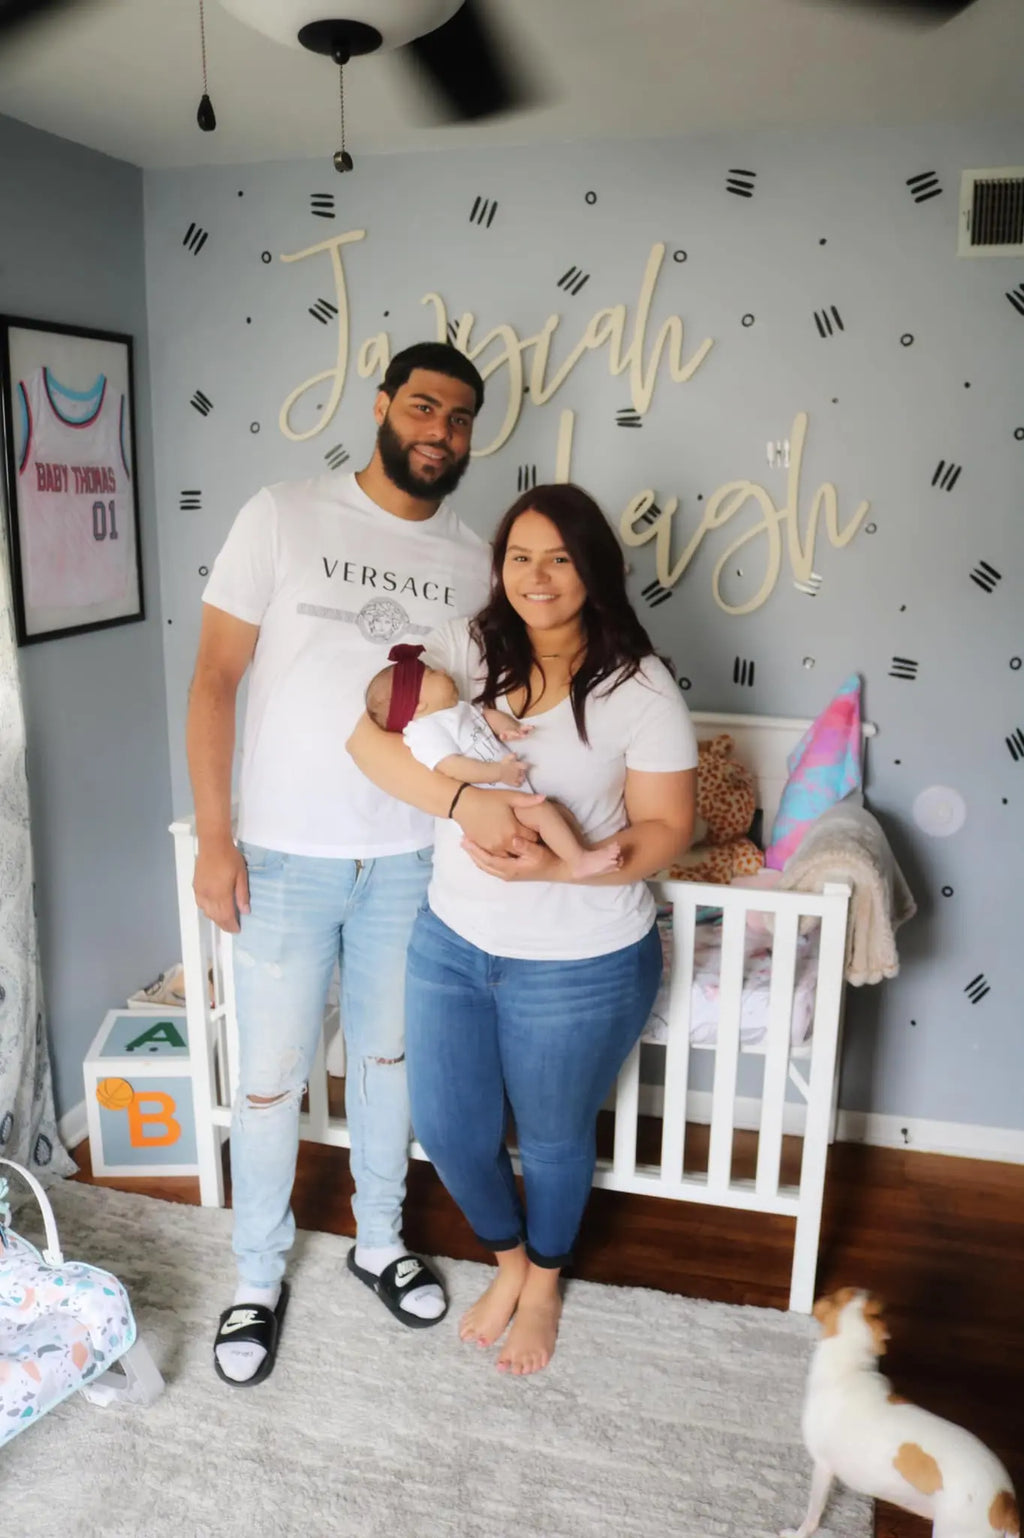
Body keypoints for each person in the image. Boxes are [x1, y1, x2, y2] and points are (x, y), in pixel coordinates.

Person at [186, 341, 541, 1388]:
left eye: (462, 417)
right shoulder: (283, 512)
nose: (440, 430)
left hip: (406, 859)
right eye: (424, 406)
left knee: (390, 1065)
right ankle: (256, 1274)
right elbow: (214, 677)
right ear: (383, 405)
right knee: (269, 1080)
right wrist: (215, 837)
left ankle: (377, 1240)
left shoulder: (478, 560)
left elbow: (470, 716)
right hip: (285, 854)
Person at [347, 483, 698, 1376]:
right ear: (498, 567)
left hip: (580, 959)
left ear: (594, 570)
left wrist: (559, 864)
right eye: (519, 557)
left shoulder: (639, 685)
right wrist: (464, 796)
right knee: (454, 1133)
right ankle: (505, 1262)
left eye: (559, 558)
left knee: (548, 1139)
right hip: (453, 941)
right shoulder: (472, 647)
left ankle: (542, 1281)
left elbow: (668, 830)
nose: (537, 578)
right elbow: (380, 735)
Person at [365, 645, 622, 879]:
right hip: (493, 805)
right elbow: (451, 767)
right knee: (545, 814)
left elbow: (485, 717)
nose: (443, 670)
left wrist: (509, 727)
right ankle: (578, 862)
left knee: (558, 814)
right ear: (418, 704)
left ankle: (575, 855)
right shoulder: (424, 730)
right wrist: (498, 772)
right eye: (432, 673)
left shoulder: (456, 711)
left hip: (510, 794)